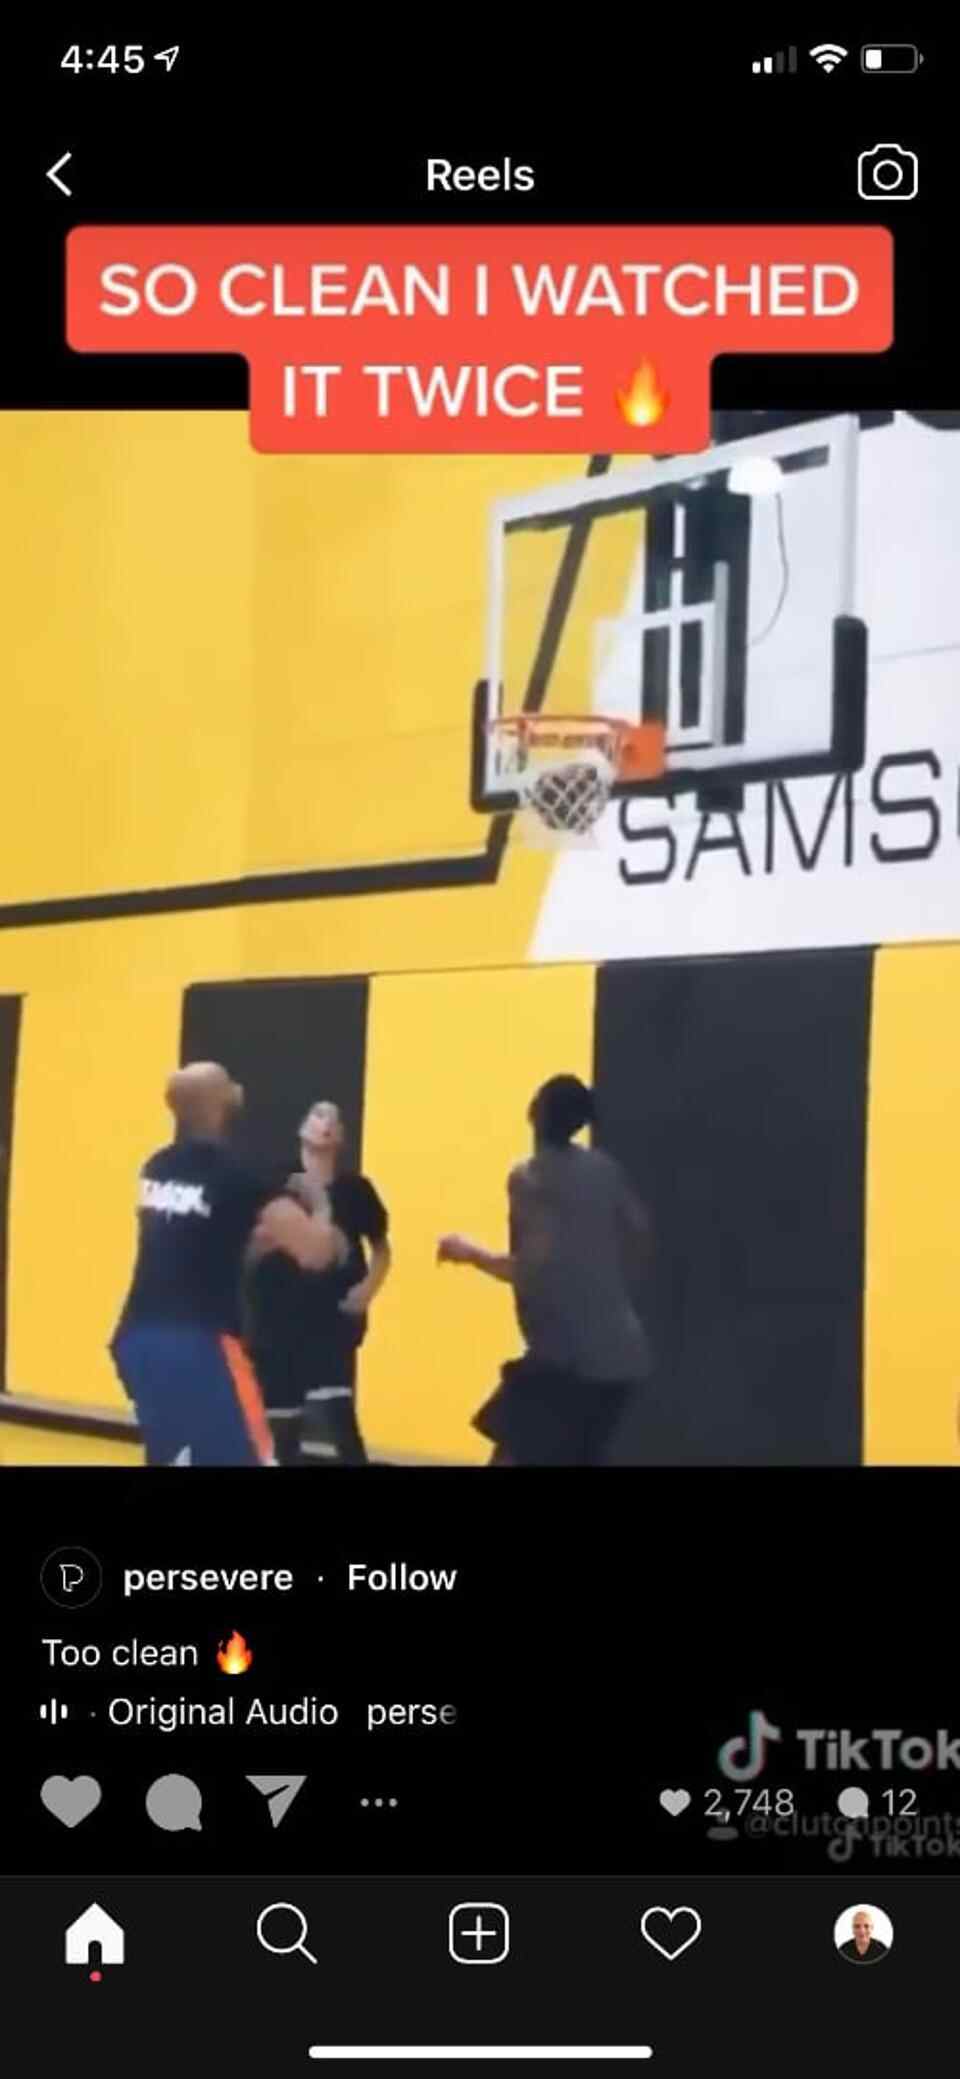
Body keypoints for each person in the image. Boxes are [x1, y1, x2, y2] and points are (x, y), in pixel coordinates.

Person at [110, 1063, 342, 1467]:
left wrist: (261, 1241)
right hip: (202, 1345)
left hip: (138, 1339)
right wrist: (320, 1204)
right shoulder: (240, 1174)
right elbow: (315, 1252)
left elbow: (203, 1241)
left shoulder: (158, 1166)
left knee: (179, 1457)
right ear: (221, 1103)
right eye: (228, 1083)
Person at [437, 1074, 652, 1466]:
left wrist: (469, 1253)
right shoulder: (604, 1169)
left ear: (535, 1112)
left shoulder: (530, 1179)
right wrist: (616, 1293)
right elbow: (639, 1231)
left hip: (567, 1361)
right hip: (622, 1356)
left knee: (512, 1454)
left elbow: (530, 1268)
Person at [244, 1100, 391, 1465]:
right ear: (302, 1128)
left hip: (332, 1319)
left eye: (334, 1119)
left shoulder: (356, 1190)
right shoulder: (277, 1182)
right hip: (279, 1319)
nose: (325, 1123)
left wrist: (367, 1289)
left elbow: (381, 1249)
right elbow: (250, 1245)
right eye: (318, 1114)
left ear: (341, 1137)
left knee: (340, 1424)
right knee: (283, 1433)